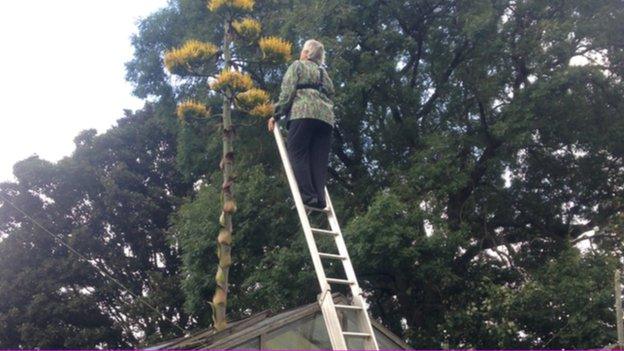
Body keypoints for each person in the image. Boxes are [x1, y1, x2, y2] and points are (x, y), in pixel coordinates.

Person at [268, 39, 335, 210]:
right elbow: (332, 93)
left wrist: (276, 114)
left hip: (303, 114)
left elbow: (287, 93)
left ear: (306, 53)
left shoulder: (298, 66)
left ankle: (307, 195)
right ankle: (319, 199)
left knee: (297, 152)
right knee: (318, 159)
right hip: (326, 119)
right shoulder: (324, 74)